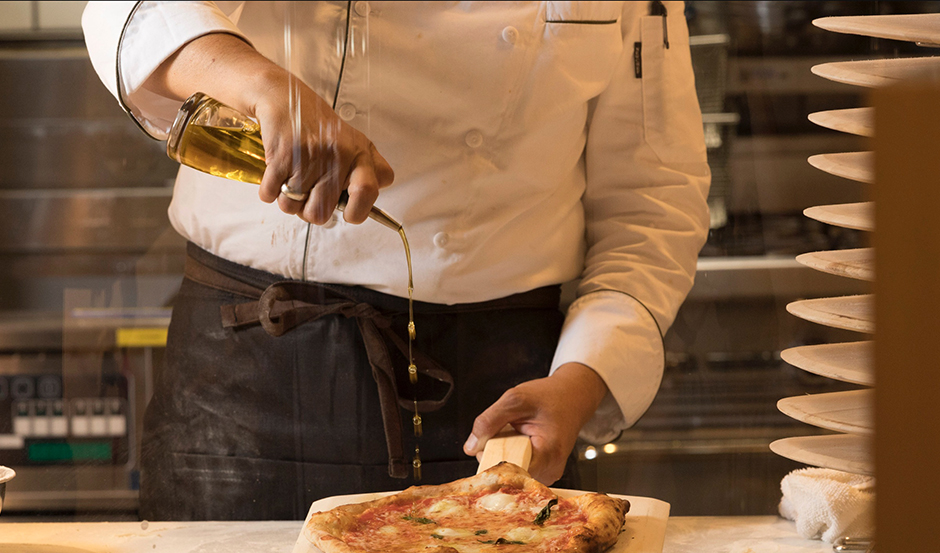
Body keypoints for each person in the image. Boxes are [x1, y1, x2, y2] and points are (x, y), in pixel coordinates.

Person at [82, 1, 710, 521]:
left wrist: (582, 380)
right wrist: (258, 83)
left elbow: (651, 205)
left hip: (498, 401)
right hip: (243, 373)